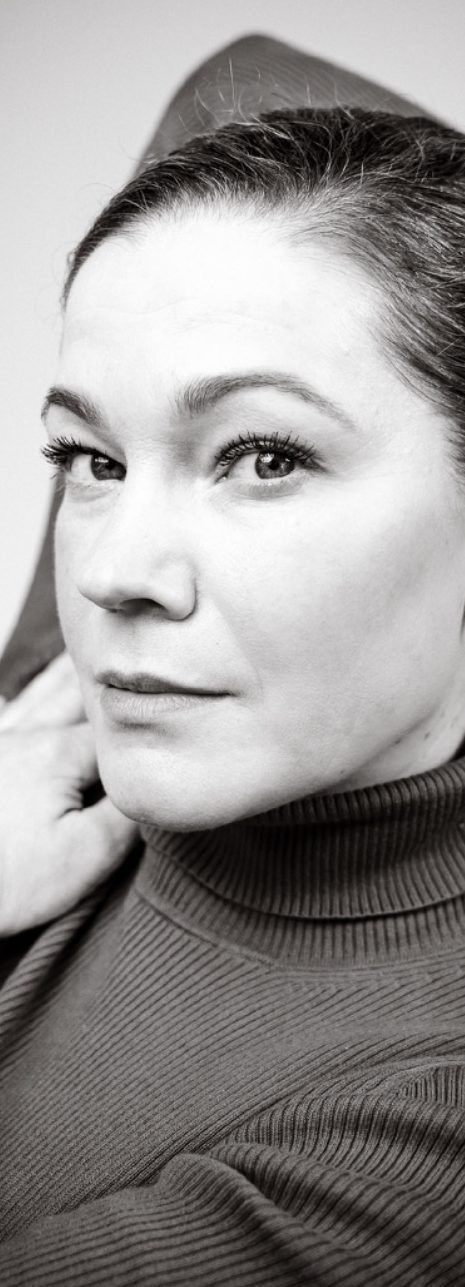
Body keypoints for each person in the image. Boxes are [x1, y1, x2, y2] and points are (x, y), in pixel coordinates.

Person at [2, 103, 465, 1284]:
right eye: (92, 461)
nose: (112, 573)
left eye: (266, 458)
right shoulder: (42, 757)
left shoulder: (425, 1142)